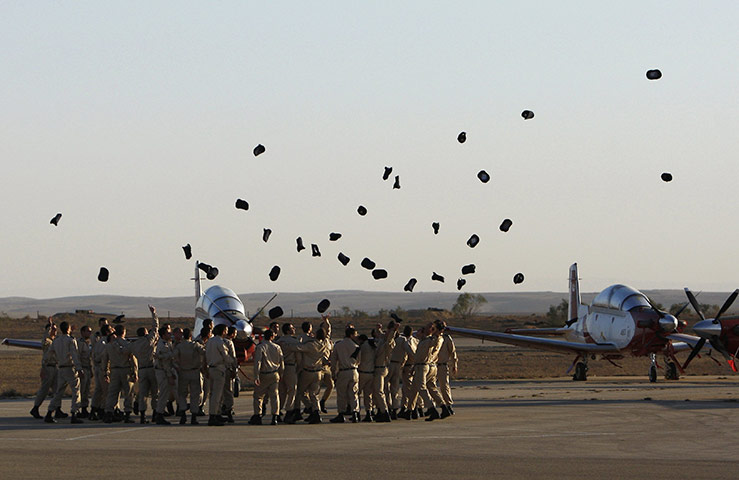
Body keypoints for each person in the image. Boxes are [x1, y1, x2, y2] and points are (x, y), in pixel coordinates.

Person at [399, 320, 444, 421]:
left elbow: (436, 343)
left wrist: (437, 332)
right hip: (418, 366)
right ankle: (410, 411)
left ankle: (432, 409)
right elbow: (418, 357)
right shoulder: (422, 341)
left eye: (429, 327)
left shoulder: (430, 341)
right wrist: (413, 368)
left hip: (423, 367)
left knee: (421, 388)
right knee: (414, 391)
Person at [44, 321, 84, 424]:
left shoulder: (56, 341)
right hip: (70, 368)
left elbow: (49, 353)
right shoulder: (70, 340)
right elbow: (74, 355)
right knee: (76, 391)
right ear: (68, 329)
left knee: (58, 392)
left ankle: (49, 412)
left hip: (61, 368)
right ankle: (74, 413)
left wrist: (47, 362)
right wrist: (79, 368)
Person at [290, 328, 331, 424]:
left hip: (308, 371)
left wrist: (287, 345)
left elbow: (297, 348)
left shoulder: (311, 345)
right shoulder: (324, 345)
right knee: (314, 394)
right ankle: (316, 412)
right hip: (318, 372)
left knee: (300, 392)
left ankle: (300, 410)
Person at [102, 324, 138, 423]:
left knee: (112, 393)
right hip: (125, 370)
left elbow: (105, 360)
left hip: (114, 370)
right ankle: (127, 413)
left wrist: (105, 372)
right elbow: (132, 359)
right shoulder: (127, 344)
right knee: (129, 393)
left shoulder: (109, 345)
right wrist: (135, 372)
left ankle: (109, 412)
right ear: (124, 332)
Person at [131, 305, 159, 424]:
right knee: (155, 392)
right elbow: (156, 327)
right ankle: (155, 414)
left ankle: (142, 415)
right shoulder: (149, 340)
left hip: (141, 369)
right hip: (151, 368)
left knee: (143, 393)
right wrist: (154, 314)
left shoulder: (135, 345)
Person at [249, 329, 284, 426]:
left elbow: (258, 362)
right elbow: (281, 362)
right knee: (274, 396)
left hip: (264, 374)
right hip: (274, 374)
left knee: (258, 396)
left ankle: (258, 415)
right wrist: (281, 373)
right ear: (272, 337)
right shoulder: (277, 347)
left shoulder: (260, 347)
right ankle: (275, 416)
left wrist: (256, 376)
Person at [174, 327, 206, 425]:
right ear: (191, 336)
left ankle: (183, 413)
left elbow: (174, 357)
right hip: (194, 372)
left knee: (182, 394)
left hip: (183, 372)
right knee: (195, 394)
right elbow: (205, 352)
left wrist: (178, 367)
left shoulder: (179, 346)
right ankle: (194, 416)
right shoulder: (195, 345)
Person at [329, 326, 360, 423]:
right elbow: (359, 361)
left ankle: (341, 413)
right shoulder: (356, 347)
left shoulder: (338, 345)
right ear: (351, 335)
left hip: (343, 371)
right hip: (354, 371)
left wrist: (333, 372)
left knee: (341, 394)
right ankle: (355, 412)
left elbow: (334, 360)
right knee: (353, 393)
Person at [205, 324, 233, 426]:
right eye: (225, 330)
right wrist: (233, 361)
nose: (226, 332)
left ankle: (216, 413)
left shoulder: (210, 341)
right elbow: (225, 356)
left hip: (211, 368)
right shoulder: (220, 342)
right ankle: (213, 416)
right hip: (218, 369)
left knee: (213, 393)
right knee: (217, 394)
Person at [30, 320, 58, 419]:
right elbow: (45, 339)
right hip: (48, 367)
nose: (55, 331)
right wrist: (49, 327)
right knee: (44, 390)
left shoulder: (55, 341)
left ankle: (57, 409)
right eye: (53, 329)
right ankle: (35, 408)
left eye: (55, 329)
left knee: (57, 389)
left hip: (55, 367)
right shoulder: (47, 342)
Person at [372, 321, 397, 422]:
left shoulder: (389, 344)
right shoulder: (382, 340)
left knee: (379, 391)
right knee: (378, 391)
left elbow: (389, 338)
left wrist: (393, 330)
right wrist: (378, 329)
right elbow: (381, 335)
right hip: (378, 368)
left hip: (380, 368)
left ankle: (385, 411)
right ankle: (380, 410)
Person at [276, 323, 301, 423]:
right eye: (292, 328)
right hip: (290, 367)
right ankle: (289, 410)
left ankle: (277, 411)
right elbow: (298, 357)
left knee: (281, 391)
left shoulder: (278, 342)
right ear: (288, 331)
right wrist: (298, 368)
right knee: (292, 390)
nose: (294, 329)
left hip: (280, 368)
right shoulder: (294, 342)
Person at [387, 324, 411, 419]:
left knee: (386, 388)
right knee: (395, 388)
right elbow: (408, 351)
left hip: (390, 364)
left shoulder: (391, 340)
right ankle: (394, 408)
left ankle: (389, 407)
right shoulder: (403, 340)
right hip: (398, 364)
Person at [154, 322, 176, 425]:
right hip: (163, 372)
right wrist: (169, 375)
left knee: (165, 394)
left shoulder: (167, 344)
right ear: (163, 335)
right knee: (163, 394)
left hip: (163, 371)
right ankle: (159, 414)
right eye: (168, 334)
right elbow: (166, 363)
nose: (170, 335)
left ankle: (159, 413)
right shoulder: (163, 346)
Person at [89, 324, 112, 421]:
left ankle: (95, 410)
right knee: (105, 390)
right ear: (107, 332)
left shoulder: (99, 342)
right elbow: (104, 357)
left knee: (99, 390)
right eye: (111, 329)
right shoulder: (104, 343)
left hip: (98, 367)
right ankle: (103, 410)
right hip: (102, 368)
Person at [436, 323, 458, 418]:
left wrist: (454, 364)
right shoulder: (432, 338)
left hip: (442, 365)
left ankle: (448, 405)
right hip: (432, 365)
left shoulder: (446, 338)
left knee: (444, 386)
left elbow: (453, 352)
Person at [220, 326, 238, 423]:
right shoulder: (229, 343)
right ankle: (229, 409)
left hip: (217, 369)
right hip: (226, 369)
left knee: (218, 390)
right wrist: (234, 369)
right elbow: (233, 358)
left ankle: (219, 408)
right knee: (228, 390)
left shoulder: (215, 341)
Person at [357, 334, 376, 422]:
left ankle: (356, 412)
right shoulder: (372, 347)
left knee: (357, 394)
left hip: (362, 372)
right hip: (371, 373)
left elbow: (358, 360)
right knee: (368, 395)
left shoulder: (362, 347)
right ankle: (369, 412)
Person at [77, 325, 93, 418]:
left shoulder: (88, 343)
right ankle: (78, 409)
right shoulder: (80, 343)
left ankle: (84, 408)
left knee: (86, 390)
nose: (90, 333)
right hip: (82, 368)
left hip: (87, 368)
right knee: (81, 390)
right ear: (82, 332)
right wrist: (79, 369)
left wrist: (90, 369)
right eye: (88, 331)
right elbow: (77, 357)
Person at [196, 326, 212, 415]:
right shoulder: (198, 343)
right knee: (200, 390)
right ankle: (198, 406)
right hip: (199, 368)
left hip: (207, 369)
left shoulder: (209, 343)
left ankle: (202, 405)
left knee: (207, 389)